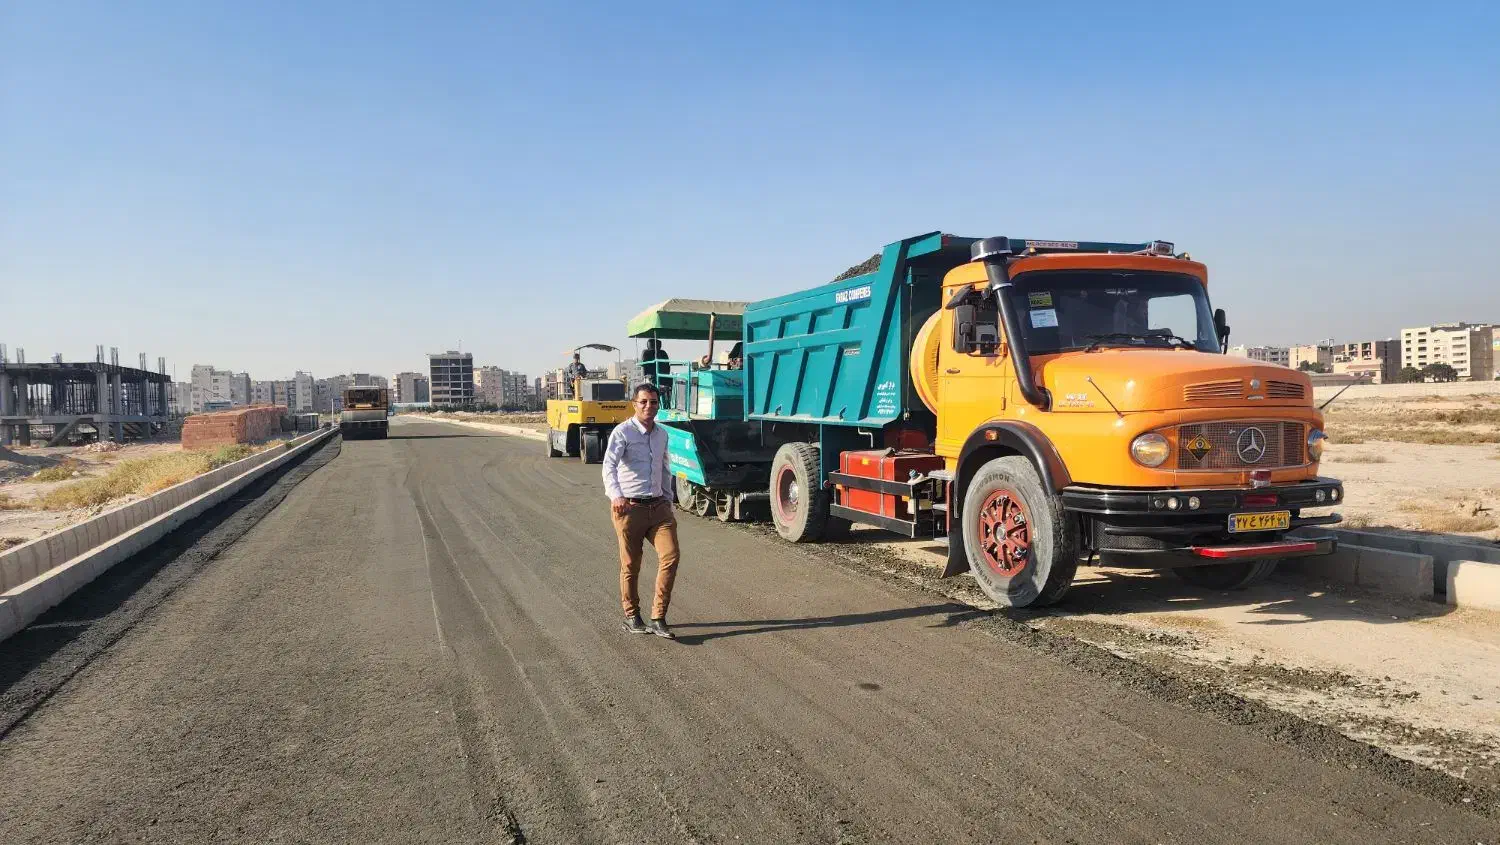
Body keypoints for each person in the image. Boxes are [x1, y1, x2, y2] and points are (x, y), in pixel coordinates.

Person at [602, 382, 680, 639]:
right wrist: (616, 495)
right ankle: (632, 616)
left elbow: (665, 467)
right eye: (644, 402)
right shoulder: (622, 432)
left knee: (670, 556)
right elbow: (609, 467)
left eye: (654, 402)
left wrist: (668, 500)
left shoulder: (662, 434)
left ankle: (658, 617)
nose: (649, 406)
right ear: (634, 404)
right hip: (629, 508)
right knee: (631, 564)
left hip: (658, 507)